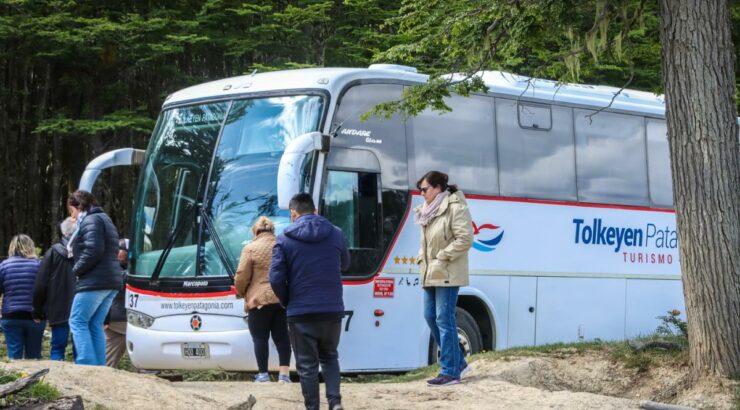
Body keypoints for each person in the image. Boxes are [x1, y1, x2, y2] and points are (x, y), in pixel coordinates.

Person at [269, 193, 349, 410]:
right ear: (315, 210)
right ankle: (335, 403)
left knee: (307, 366)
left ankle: (312, 407)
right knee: (330, 357)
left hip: (301, 311)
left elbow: (275, 277)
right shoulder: (336, 233)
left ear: (293, 213)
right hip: (332, 308)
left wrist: (287, 300)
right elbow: (346, 264)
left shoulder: (284, 238)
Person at [415, 170, 473, 387]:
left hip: (447, 272)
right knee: (430, 316)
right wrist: (423, 258)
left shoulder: (455, 207)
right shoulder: (426, 211)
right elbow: (428, 243)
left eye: (424, 189)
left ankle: (450, 371)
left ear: (438, 188)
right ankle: (459, 363)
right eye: (420, 189)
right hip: (431, 272)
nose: (421, 193)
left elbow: (465, 239)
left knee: (444, 318)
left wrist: (442, 256)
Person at [67, 190, 122, 366]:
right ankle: (99, 366)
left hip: (94, 281)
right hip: (111, 280)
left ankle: (85, 363)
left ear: (79, 206)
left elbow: (93, 250)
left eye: (72, 212)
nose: (73, 217)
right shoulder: (105, 219)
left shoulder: (91, 220)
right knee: (95, 324)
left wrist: (76, 270)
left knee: (77, 321)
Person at [235, 217, 292, 383]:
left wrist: (241, 292)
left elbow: (241, 276)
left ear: (256, 231)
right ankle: (284, 375)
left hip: (258, 300)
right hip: (280, 298)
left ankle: (263, 375)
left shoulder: (250, 248)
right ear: (272, 230)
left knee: (260, 337)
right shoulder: (283, 245)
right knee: (282, 337)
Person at [32, 217, 77, 360]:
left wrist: (38, 310)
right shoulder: (86, 253)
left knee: (57, 348)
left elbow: (41, 284)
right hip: (81, 305)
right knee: (81, 350)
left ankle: (55, 381)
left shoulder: (52, 252)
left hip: (58, 307)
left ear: (63, 233)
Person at [0, 234, 45, 359]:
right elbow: (45, 290)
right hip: (35, 317)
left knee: (14, 357)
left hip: (11, 316)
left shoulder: (4, 266)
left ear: (12, 248)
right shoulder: (39, 265)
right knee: (34, 356)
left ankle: (17, 378)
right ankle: (36, 378)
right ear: (31, 247)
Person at [104, 238, 129, 367]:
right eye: (118, 250)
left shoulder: (109, 268)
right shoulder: (115, 270)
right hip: (121, 318)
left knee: (107, 361)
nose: (120, 253)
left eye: (123, 250)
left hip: (114, 318)